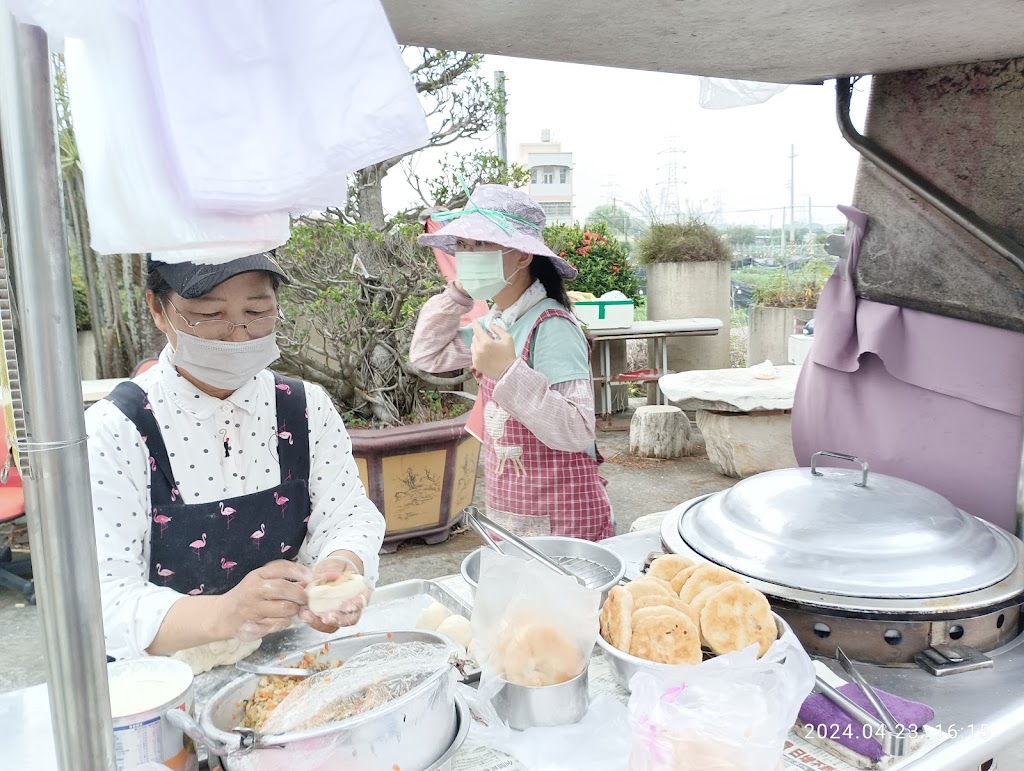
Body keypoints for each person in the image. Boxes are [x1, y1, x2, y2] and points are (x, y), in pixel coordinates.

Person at [86, 254, 385, 661]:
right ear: (158, 309)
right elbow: (104, 600)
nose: (238, 337)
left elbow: (348, 514)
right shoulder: (116, 430)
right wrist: (225, 614)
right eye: (210, 315)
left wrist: (339, 566)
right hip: (164, 684)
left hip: (287, 660)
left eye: (257, 312)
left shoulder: (304, 408)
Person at [411, 185, 614, 541]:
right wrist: (459, 292)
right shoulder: (497, 322)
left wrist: (507, 371)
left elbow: (578, 430)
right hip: (512, 514)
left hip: (564, 522)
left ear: (522, 256)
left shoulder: (551, 325)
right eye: (463, 246)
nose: (468, 256)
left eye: (480, 245)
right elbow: (427, 354)